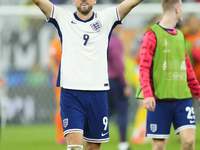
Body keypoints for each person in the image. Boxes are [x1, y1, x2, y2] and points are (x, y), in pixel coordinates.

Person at [32, 0, 144, 149]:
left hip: (97, 94)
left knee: (93, 146)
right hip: (71, 94)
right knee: (74, 145)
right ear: (73, 1)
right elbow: (40, 2)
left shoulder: (106, 18)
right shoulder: (63, 17)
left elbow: (129, 4)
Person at [135, 0, 200, 150]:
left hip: (182, 98)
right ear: (177, 9)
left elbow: (187, 68)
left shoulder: (180, 36)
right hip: (159, 100)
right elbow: (143, 67)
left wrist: (198, 92)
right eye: (182, 7)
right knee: (158, 146)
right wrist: (148, 94)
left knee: (189, 141)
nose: (183, 11)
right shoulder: (151, 35)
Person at [107, 26, 132, 150]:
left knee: (106, 112)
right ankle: (123, 143)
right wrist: (124, 84)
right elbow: (118, 64)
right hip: (116, 81)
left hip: (104, 81)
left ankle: (90, 136)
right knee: (122, 112)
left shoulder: (103, 40)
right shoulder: (115, 40)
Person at [47, 31, 66, 144]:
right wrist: (59, 77)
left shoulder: (66, 42)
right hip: (61, 81)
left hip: (70, 79)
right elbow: (50, 62)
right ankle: (60, 136)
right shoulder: (55, 43)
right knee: (61, 106)